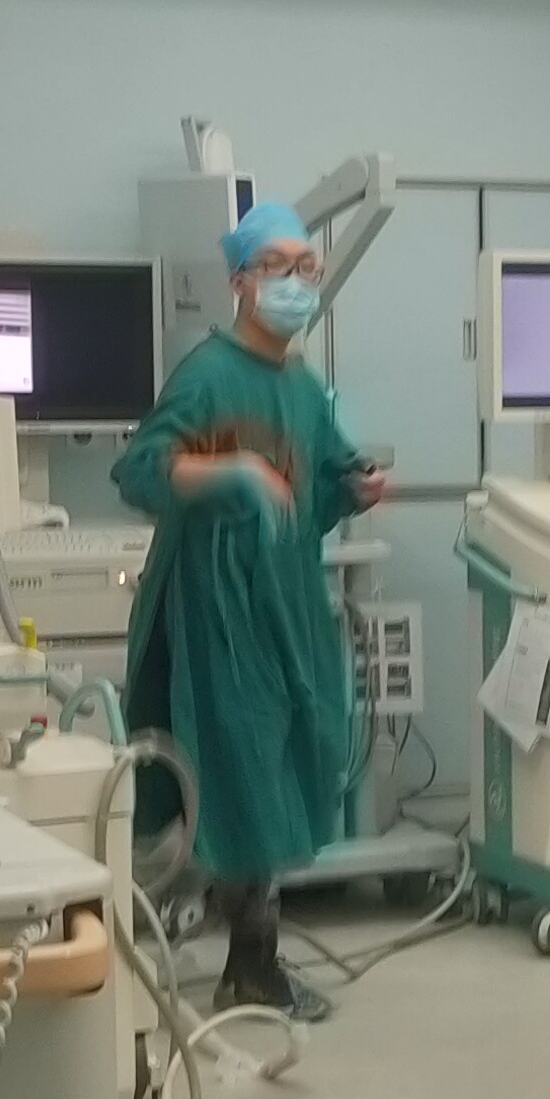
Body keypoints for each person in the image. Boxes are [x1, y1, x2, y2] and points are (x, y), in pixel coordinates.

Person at [113, 198, 383, 1016]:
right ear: (239, 281)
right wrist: (228, 471)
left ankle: (249, 958)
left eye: (307, 267)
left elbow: (314, 490)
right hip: (217, 612)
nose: (297, 281)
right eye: (278, 267)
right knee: (242, 773)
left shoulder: (301, 386)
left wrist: (355, 488)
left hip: (286, 602)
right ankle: (247, 960)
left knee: (290, 757)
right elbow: (141, 470)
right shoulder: (206, 375)